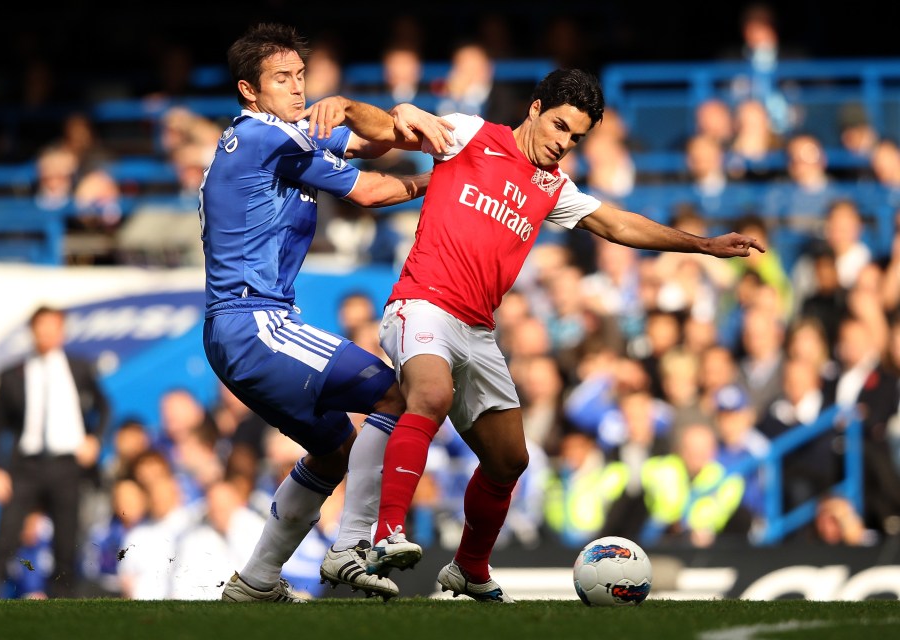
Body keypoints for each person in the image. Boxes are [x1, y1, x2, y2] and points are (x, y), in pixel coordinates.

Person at [316, 67, 765, 602]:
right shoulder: (468, 135)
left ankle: (469, 568)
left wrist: (703, 245)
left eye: (576, 138)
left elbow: (618, 224)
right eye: (558, 126)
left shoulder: (552, 187)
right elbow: (391, 129)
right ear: (533, 109)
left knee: (510, 460)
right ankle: (386, 535)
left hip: (479, 331)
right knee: (430, 394)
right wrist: (347, 105)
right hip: (422, 306)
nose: (563, 143)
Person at [199, 22, 453, 604]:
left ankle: (257, 580)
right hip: (256, 321)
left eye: (300, 76)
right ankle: (351, 547)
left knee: (335, 449)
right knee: (390, 393)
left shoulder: (268, 137)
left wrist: (398, 122)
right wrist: (441, 180)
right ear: (248, 90)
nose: (295, 88)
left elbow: (370, 143)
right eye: (280, 78)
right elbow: (369, 190)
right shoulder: (269, 138)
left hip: (236, 329)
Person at [0, 305, 111, 598]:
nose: (48, 333)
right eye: (42, 327)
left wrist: (95, 440)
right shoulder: (13, 374)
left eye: (53, 327)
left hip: (67, 466)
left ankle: (61, 605)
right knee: (5, 539)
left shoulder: (78, 368)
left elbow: (104, 407)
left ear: (62, 331)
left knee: (66, 541)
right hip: (26, 467)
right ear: (32, 331)